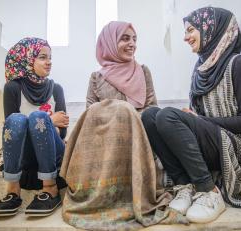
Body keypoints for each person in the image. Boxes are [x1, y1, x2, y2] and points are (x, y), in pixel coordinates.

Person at [60, 21, 187, 230]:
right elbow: (91, 115)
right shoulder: (96, 78)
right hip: (106, 145)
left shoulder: (143, 71)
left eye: (134, 39)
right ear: (110, 42)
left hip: (137, 141)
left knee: (126, 112)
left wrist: (126, 116)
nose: (132, 44)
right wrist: (118, 115)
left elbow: (152, 109)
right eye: (125, 38)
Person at [142, 7, 241, 223]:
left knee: (167, 115)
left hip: (230, 143)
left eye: (191, 30)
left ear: (211, 29)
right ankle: (185, 186)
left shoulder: (238, 64)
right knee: (150, 116)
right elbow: (195, 118)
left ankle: (209, 191)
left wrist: (200, 120)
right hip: (206, 140)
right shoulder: (200, 69)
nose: (185, 37)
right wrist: (196, 118)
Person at [0, 37, 69, 217]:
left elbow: (62, 130)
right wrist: (50, 121)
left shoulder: (56, 88)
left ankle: (50, 188)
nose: (49, 62)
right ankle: (13, 190)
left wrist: (42, 121)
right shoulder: (13, 88)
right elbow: (12, 129)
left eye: (50, 57)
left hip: (52, 151)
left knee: (37, 117)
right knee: (17, 120)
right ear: (27, 59)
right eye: (43, 57)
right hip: (24, 154)